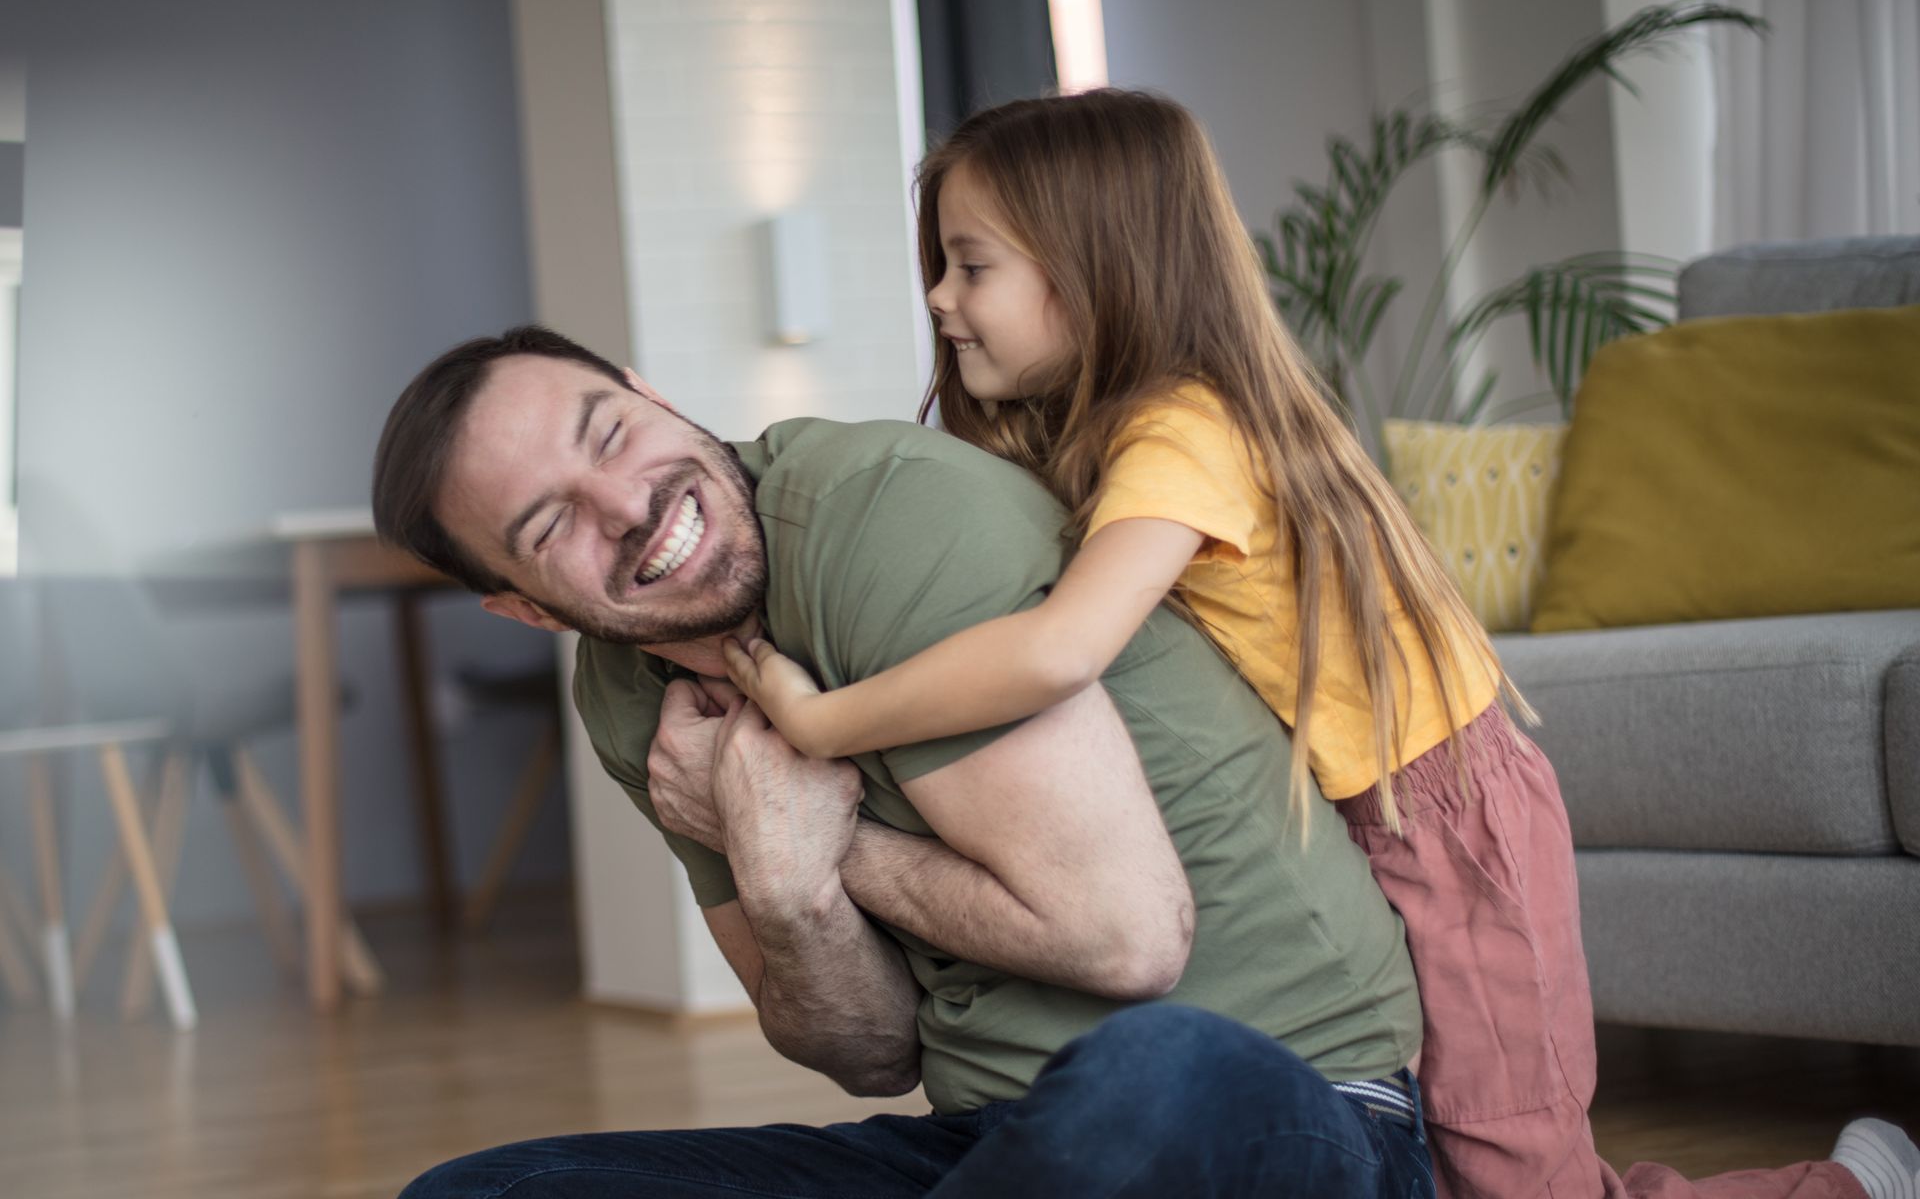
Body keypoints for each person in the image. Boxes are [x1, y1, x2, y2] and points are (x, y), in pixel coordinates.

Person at [717, 89, 1911, 1199]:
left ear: (1093, 270)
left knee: (1523, 1180)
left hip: (1446, 816)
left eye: (970, 266)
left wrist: (822, 721)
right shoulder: (1116, 437)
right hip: (1351, 813)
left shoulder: (1183, 432)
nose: (938, 297)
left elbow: (1056, 650)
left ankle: (1854, 1186)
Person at [371, 327, 1435, 1197]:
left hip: (1285, 1106)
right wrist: (789, 894)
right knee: (480, 1195)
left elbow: (1128, 941)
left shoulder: (885, 513)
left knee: (1147, 1073)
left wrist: (799, 833)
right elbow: (869, 1053)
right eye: (553, 523)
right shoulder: (626, 696)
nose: (628, 506)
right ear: (520, 607)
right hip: (988, 1148)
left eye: (609, 433)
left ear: (649, 391)